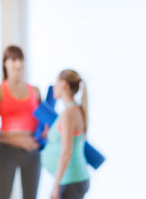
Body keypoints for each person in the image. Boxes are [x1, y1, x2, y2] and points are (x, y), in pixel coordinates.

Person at [0, 45, 41, 199]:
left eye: (20, 59)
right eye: (13, 60)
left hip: (32, 153)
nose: (18, 64)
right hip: (6, 153)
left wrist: (42, 135)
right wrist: (19, 140)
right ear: (5, 63)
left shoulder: (36, 91)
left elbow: (42, 125)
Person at [41, 69, 89, 199]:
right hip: (72, 179)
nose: (54, 87)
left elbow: (66, 152)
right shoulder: (71, 111)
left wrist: (55, 185)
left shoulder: (69, 114)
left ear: (64, 85)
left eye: (56, 83)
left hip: (70, 180)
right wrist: (49, 134)